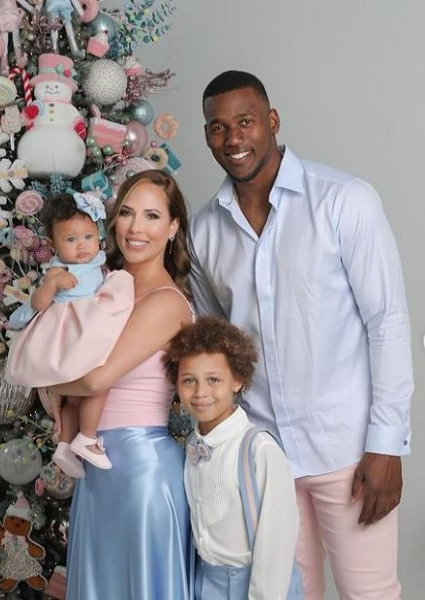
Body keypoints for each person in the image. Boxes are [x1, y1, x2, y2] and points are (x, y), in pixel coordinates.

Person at [188, 70, 413, 600]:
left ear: (272, 121)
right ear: (207, 137)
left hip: (348, 450)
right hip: (263, 455)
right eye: (218, 128)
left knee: (371, 593)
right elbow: (212, 342)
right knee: (281, 594)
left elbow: (388, 323)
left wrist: (386, 445)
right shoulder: (203, 229)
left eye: (245, 122)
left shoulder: (344, 200)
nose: (233, 139)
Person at [48, 169, 194, 600]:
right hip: (98, 470)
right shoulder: (106, 284)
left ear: (172, 228)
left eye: (152, 216)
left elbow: (96, 376)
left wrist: (53, 382)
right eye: (127, 212)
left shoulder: (166, 301)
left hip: (141, 470)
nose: (135, 227)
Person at [163, 315, 299, 600]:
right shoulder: (192, 447)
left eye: (214, 380)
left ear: (237, 379)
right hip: (204, 583)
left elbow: (277, 542)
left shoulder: (258, 450)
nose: (201, 393)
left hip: (253, 586)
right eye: (189, 381)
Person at [6, 192, 134, 478]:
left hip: (88, 328)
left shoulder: (99, 262)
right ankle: (87, 437)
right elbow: (38, 304)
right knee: (98, 382)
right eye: (71, 240)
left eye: (88, 237)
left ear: (98, 236)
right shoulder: (57, 270)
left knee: (78, 398)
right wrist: (52, 286)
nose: (82, 247)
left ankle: (65, 446)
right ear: (53, 245)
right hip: (69, 334)